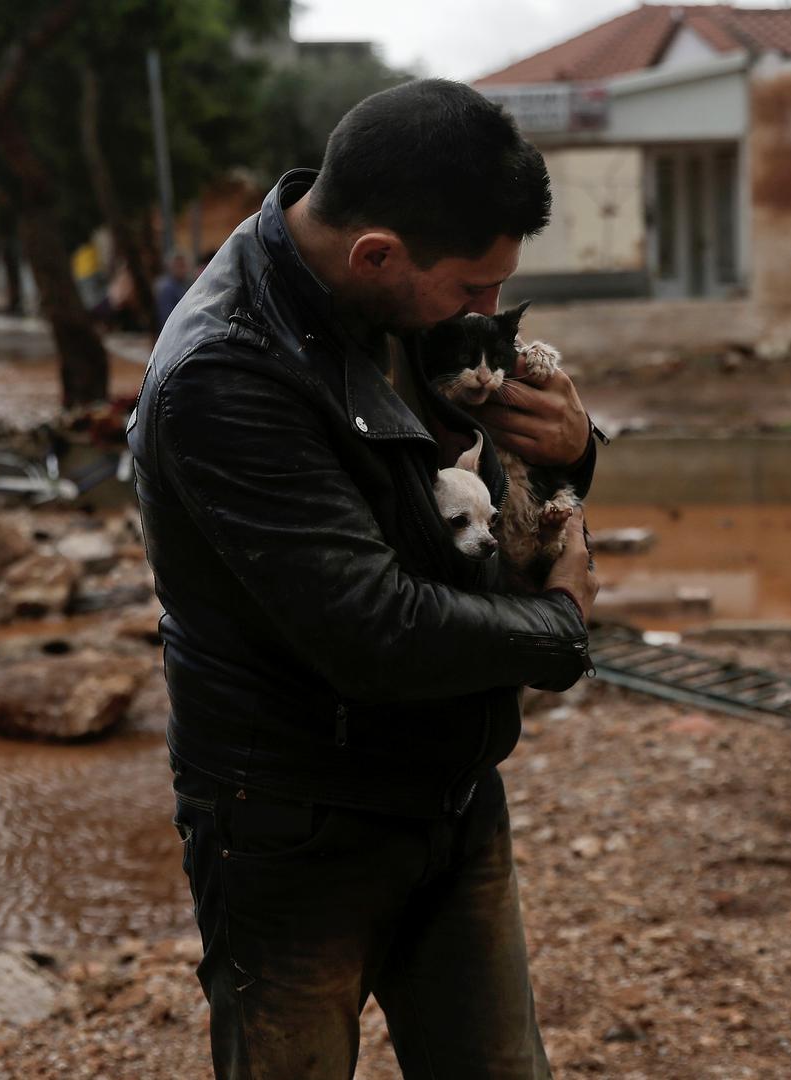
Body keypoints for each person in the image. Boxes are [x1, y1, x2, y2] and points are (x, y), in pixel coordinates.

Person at [128, 79, 603, 1079]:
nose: (486, 318)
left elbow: (471, 506)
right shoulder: (222, 378)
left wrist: (571, 449)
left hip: (448, 790)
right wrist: (560, 629)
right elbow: (372, 627)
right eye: (473, 291)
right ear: (377, 254)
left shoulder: (386, 289)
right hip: (291, 825)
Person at [152, 251, 190, 332]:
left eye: (183, 266)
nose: (182, 270)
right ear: (171, 267)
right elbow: (167, 317)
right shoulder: (167, 288)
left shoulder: (184, 284)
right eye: (179, 266)